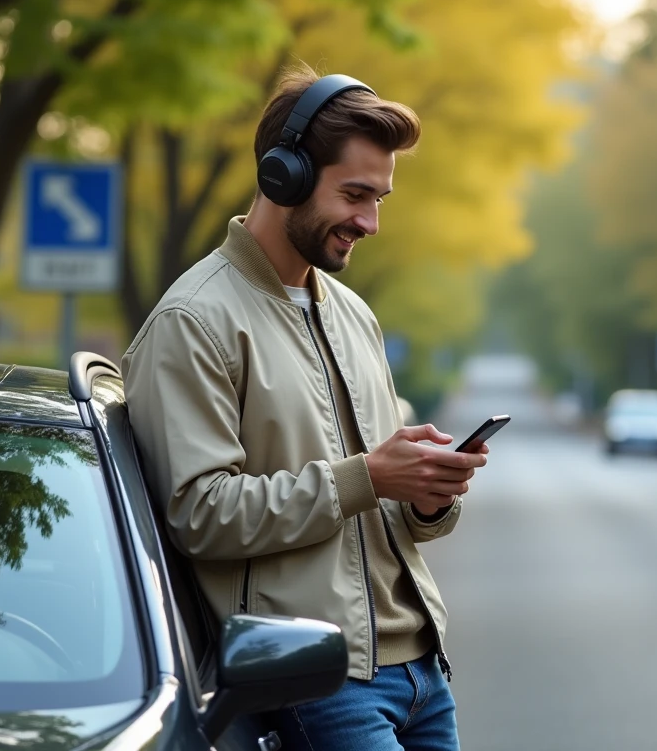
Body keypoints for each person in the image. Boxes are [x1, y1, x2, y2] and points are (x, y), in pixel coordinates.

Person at [120, 65, 487, 751]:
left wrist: (428, 494)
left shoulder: (353, 314)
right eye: (354, 194)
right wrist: (367, 479)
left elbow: (384, 507)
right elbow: (198, 515)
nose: (371, 222)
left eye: (379, 198)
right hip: (318, 681)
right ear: (281, 175)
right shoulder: (193, 323)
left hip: (424, 676)